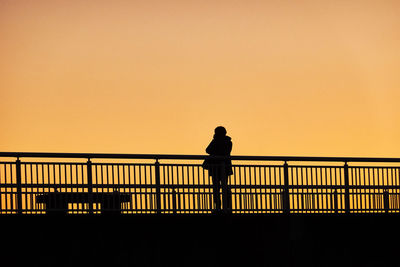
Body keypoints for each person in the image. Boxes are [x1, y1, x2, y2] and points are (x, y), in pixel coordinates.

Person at [205, 126, 233, 212]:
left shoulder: (216, 141)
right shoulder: (229, 142)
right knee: (225, 186)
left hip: (216, 167)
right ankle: (227, 206)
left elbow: (208, 150)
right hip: (225, 167)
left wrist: (215, 140)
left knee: (216, 187)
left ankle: (218, 206)